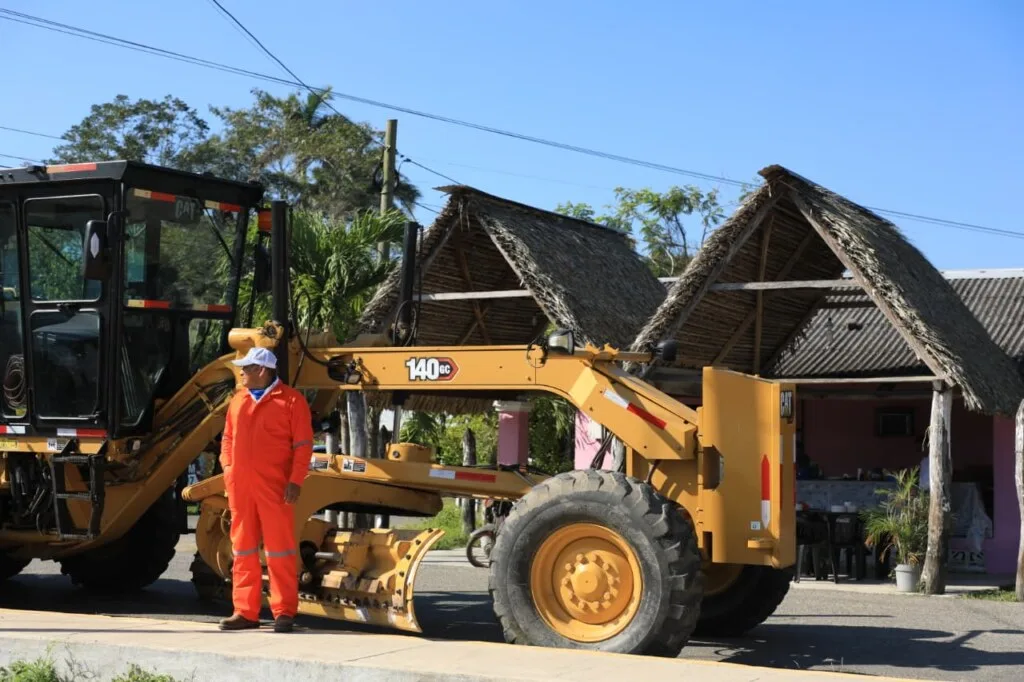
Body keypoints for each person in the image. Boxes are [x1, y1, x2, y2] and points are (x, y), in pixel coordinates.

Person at [217, 346, 314, 633]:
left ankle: (284, 612)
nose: (241, 373)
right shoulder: (238, 400)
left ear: (262, 370)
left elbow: (303, 445)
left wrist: (295, 481)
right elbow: (227, 439)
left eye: (246, 368)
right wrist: (228, 468)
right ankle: (244, 612)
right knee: (242, 549)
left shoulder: (292, 401)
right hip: (241, 487)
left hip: (277, 488)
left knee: (279, 550)